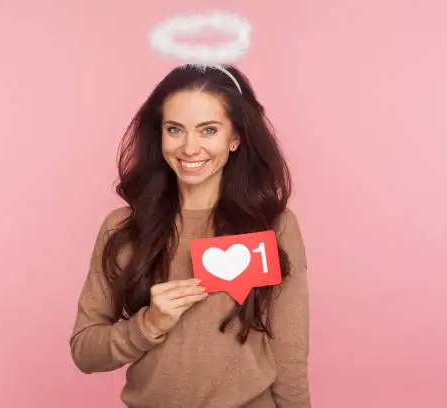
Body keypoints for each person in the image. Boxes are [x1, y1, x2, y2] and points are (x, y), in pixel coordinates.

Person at [70, 64, 311, 408]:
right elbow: (85, 351)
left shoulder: (274, 226)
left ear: (235, 137)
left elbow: (290, 350)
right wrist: (148, 325)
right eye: (175, 129)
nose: (189, 147)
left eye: (208, 130)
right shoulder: (122, 229)